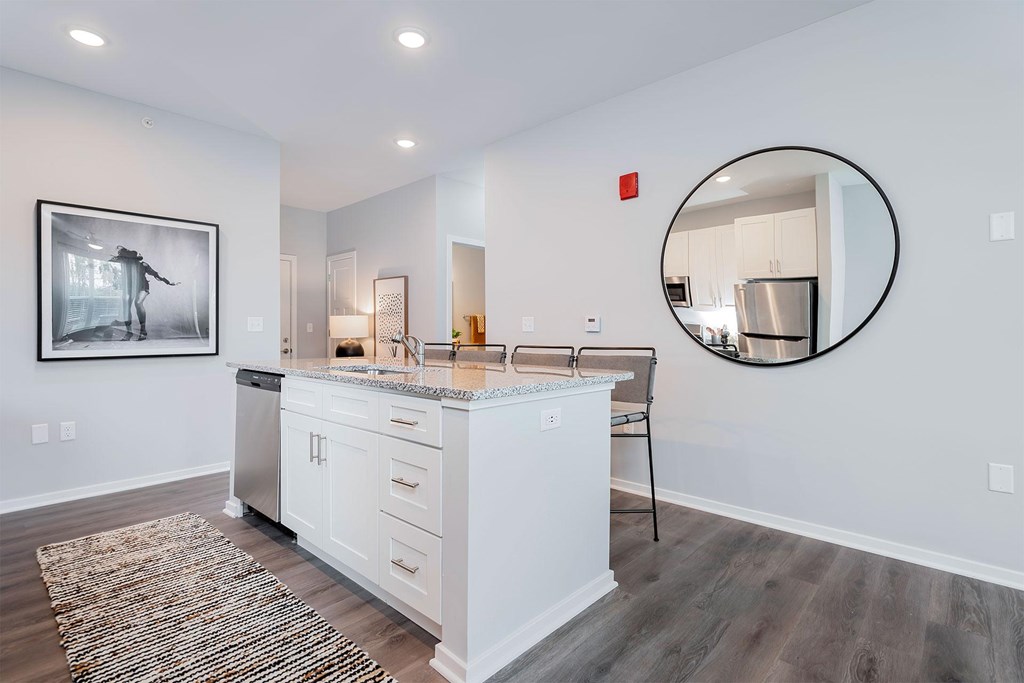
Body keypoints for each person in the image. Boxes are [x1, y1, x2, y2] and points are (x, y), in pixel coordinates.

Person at [110, 246, 180, 340]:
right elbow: (112, 265)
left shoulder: (143, 265)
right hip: (130, 287)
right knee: (126, 306)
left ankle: (143, 331)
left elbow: (156, 274)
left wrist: (168, 282)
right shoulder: (123, 265)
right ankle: (128, 332)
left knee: (138, 302)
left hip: (142, 287)